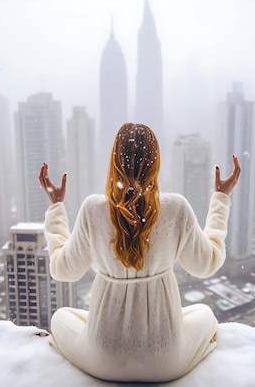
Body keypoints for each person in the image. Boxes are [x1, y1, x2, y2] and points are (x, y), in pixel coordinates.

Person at [38, 123, 241, 382]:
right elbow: (206, 264)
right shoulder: (176, 208)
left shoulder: (92, 210)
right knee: (204, 314)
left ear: (114, 161)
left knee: (62, 317)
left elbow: (63, 269)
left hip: (104, 358)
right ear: (155, 164)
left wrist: (56, 207)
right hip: (164, 362)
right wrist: (221, 199)